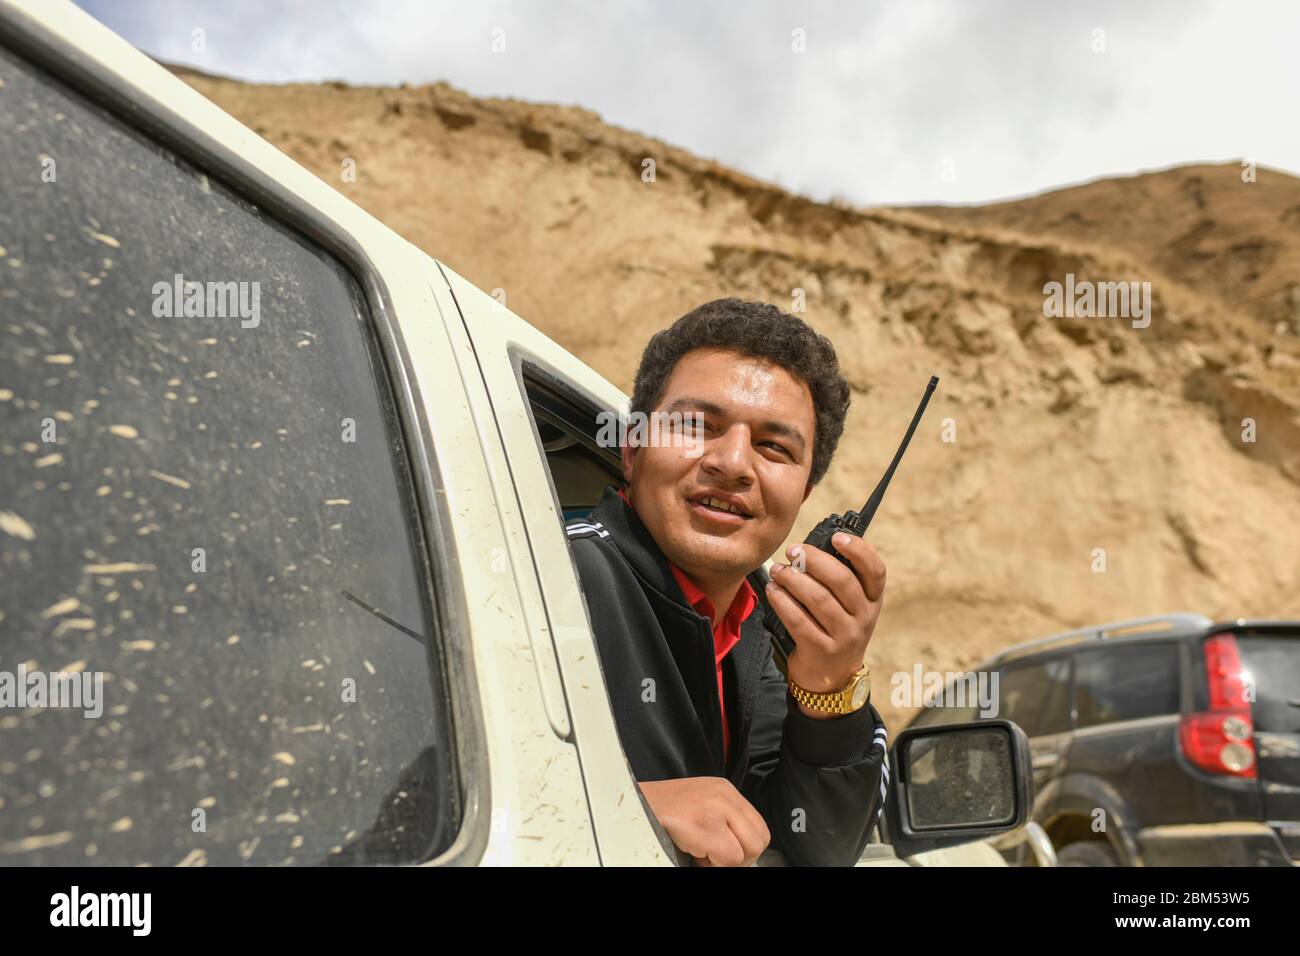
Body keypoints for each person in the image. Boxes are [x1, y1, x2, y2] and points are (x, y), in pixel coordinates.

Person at [566, 298, 890, 867]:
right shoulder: (560, 577)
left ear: (804, 495)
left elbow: (820, 847)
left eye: (774, 447)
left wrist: (829, 688)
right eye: (696, 425)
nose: (734, 462)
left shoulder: (760, 635)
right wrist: (622, 807)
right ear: (632, 448)